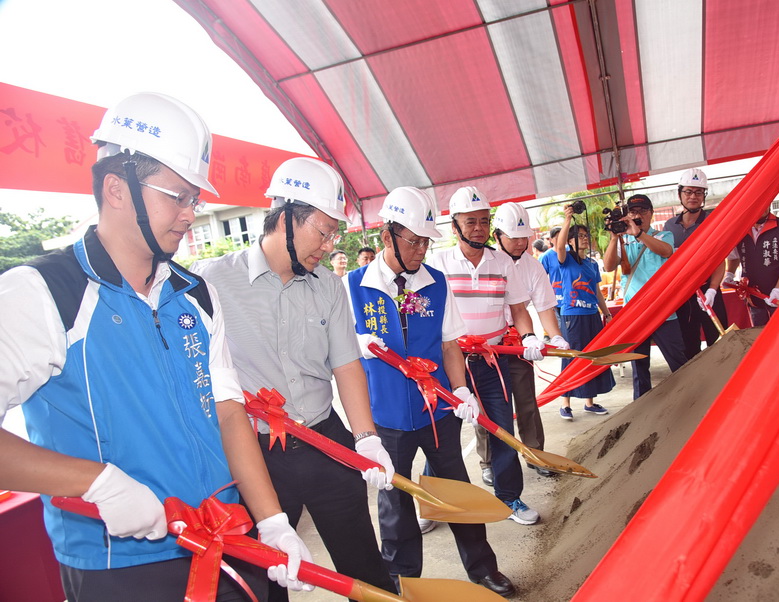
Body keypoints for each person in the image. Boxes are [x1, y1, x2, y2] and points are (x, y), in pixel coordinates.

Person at [0, 92, 309, 600]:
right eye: (178, 196)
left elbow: (229, 411)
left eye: (196, 199)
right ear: (117, 188)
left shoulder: (195, 294)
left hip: (226, 535)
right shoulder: (43, 293)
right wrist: (93, 481)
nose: (191, 215)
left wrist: (271, 519)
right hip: (122, 564)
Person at [193, 156, 398, 601]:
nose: (328, 247)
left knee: (364, 564)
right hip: (257, 454)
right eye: (322, 233)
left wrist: (364, 437)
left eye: (333, 236)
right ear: (285, 218)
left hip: (326, 440)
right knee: (265, 578)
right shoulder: (211, 284)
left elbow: (346, 364)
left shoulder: (327, 286)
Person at [345, 186, 516, 598]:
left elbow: (449, 343)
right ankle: (405, 583)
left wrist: (461, 390)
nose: (422, 249)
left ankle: (482, 568)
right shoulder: (353, 286)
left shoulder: (435, 283)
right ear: (387, 236)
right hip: (385, 418)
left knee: (456, 491)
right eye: (414, 240)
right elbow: (344, 362)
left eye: (425, 241)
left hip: (436, 410)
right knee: (395, 504)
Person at [428, 186, 545, 526]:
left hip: (493, 362)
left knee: (502, 429)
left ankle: (510, 499)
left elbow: (519, 309)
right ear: (455, 227)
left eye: (483, 221)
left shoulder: (503, 261)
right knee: (439, 435)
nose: (478, 227)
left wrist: (530, 335)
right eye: (470, 222)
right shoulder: (438, 264)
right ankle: (436, 503)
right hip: (451, 364)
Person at [473, 201, 569, 481]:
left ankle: (535, 453)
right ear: (497, 236)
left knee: (526, 401)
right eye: (513, 237)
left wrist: (556, 336)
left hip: (518, 343)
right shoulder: (485, 262)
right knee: (486, 407)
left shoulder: (532, 267)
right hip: (486, 346)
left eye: (523, 237)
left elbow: (544, 307)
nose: (519, 243)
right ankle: (488, 461)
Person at [602, 194, 688, 400]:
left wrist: (638, 232)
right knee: (639, 365)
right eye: (633, 212)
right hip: (635, 312)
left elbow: (666, 251)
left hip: (663, 311)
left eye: (642, 211)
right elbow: (608, 266)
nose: (637, 215)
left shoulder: (662, 235)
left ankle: (690, 397)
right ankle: (641, 405)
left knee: (678, 360)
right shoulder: (625, 241)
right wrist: (615, 238)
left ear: (651, 213)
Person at [555, 203, 616, 418]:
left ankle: (590, 402)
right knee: (572, 357)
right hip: (573, 316)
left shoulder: (591, 264)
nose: (584, 238)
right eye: (579, 236)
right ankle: (565, 403)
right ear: (571, 240)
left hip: (592, 316)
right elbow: (560, 247)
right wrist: (567, 221)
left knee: (592, 356)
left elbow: (597, 291)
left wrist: (606, 312)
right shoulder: (566, 260)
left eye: (585, 235)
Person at [662, 168, 728, 359]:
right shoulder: (669, 226)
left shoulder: (713, 221)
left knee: (719, 345)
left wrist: (713, 290)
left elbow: (719, 258)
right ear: (680, 194)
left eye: (698, 192)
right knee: (688, 348)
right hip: (683, 296)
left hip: (709, 293)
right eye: (688, 192)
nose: (693, 196)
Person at [724, 206, 779, 326]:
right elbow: (734, 256)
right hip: (754, 298)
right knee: (759, 335)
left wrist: (778, 289)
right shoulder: (739, 229)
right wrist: (729, 274)